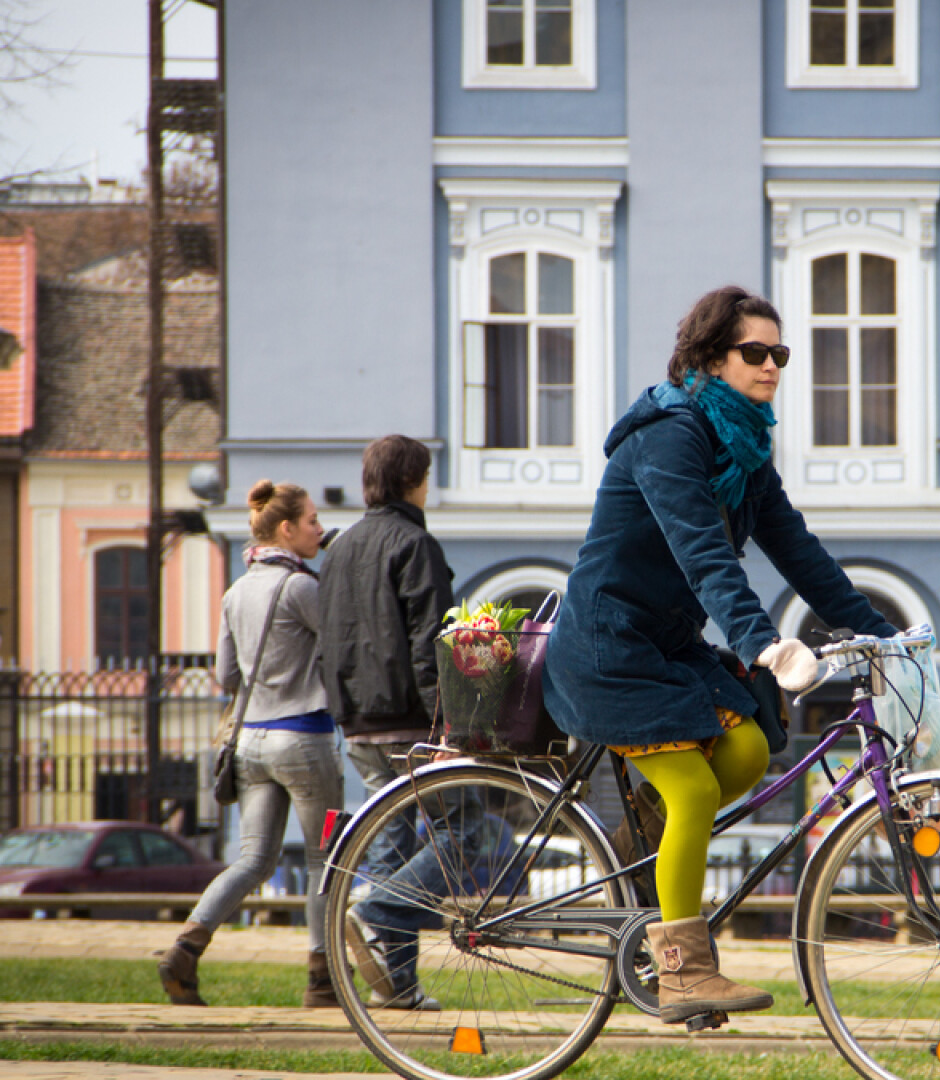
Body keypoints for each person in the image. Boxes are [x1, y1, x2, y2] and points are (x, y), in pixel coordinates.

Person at [542, 285, 898, 1026]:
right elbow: (705, 555)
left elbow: (799, 550)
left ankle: (632, 845)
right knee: (696, 792)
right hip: (610, 645)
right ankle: (682, 975)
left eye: (781, 354)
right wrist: (762, 643)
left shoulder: (742, 446)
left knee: (743, 749)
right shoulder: (670, 435)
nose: (772, 366)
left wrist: (880, 634)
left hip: (664, 643)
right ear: (709, 357)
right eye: (755, 353)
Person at [160, 480, 341, 1008]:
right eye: (310, 520)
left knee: (252, 862)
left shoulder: (236, 591)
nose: (318, 528)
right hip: (303, 740)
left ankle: (186, 946)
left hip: (250, 745)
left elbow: (224, 673)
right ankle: (321, 979)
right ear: (286, 529)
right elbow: (336, 648)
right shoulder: (303, 588)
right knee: (323, 861)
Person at [316, 434, 454, 1010]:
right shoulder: (414, 543)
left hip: (358, 724)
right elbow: (431, 642)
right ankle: (376, 907)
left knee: (392, 849)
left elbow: (330, 637)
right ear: (412, 482)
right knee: (465, 830)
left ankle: (399, 987)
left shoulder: (341, 548)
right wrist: (445, 721)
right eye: (426, 476)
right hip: (409, 720)